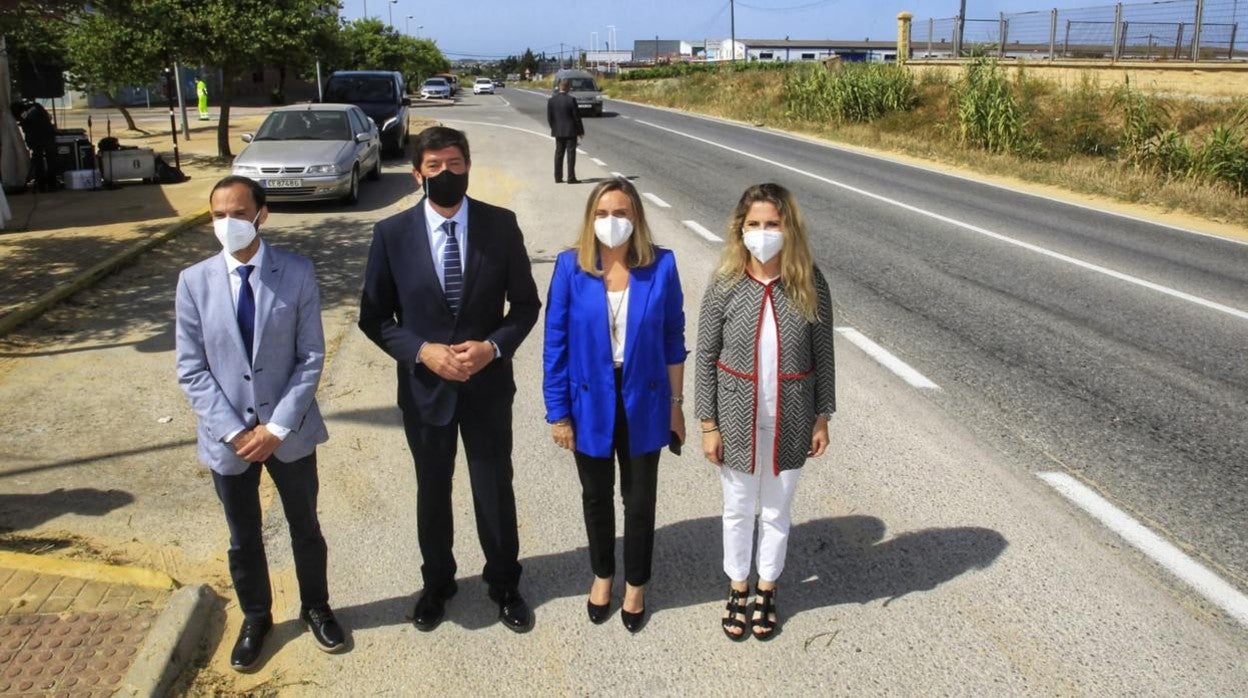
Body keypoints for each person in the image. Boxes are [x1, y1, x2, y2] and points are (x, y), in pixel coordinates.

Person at [358, 126, 541, 634]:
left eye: (455, 163)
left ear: (468, 166)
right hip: (425, 392)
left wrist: (492, 346)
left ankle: (504, 583)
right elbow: (374, 318)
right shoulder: (390, 236)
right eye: (434, 166)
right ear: (418, 173)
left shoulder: (500, 226)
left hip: (486, 389)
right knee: (432, 492)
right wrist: (421, 351)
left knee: (493, 489)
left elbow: (526, 305)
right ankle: (437, 584)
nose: (445, 173)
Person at [175, 175, 345, 671]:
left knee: (305, 526)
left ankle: (316, 606)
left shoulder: (296, 272)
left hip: (288, 434)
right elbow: (191, 366)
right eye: (218, 215)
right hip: (228, 440)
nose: (227, 223)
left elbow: (311, 355)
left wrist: (276, 427)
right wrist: (235, 430)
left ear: (261, 215)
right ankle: (256, 617)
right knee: (242, 533)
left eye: (237, 213)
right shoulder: (194, 281)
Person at [542, 178, 687, 633]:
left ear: (636, 219)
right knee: (596, 496)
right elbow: (555, 345)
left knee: (640, 500)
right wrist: (558, 412)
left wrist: (676, 405)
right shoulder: (570, 267)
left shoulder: (662, 266)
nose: (611, 222)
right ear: (590, 219)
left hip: (645, 397)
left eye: (621, 213)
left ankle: (637, 584)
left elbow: (672, 338)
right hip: (590, 402)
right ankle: (603, 575)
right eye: (603, 214)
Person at [695, 182, 835, 641]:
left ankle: (768, 587)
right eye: (754, 224)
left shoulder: (811, 284)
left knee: (777, 510)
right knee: (737, 508)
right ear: (740, 230)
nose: (762, 233)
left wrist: (822, 416)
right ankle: (738, 587)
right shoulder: (725, 285)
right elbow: (706, 357)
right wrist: (708, 423)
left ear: (789, 228)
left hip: (792, 418)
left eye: (772, 224)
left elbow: (823, 354)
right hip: (735, 421)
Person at [546, 79, 583, 184]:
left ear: (559, 86)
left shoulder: (552, 100)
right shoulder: (571, 100)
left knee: (558, 153)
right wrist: (580, 131)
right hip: (571, 132)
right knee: (571, 155)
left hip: (558, 131)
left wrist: (555, 127)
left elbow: (550, 118)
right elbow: (577, 117)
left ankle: (558, 178)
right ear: (568, 87)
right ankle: (571, 178)